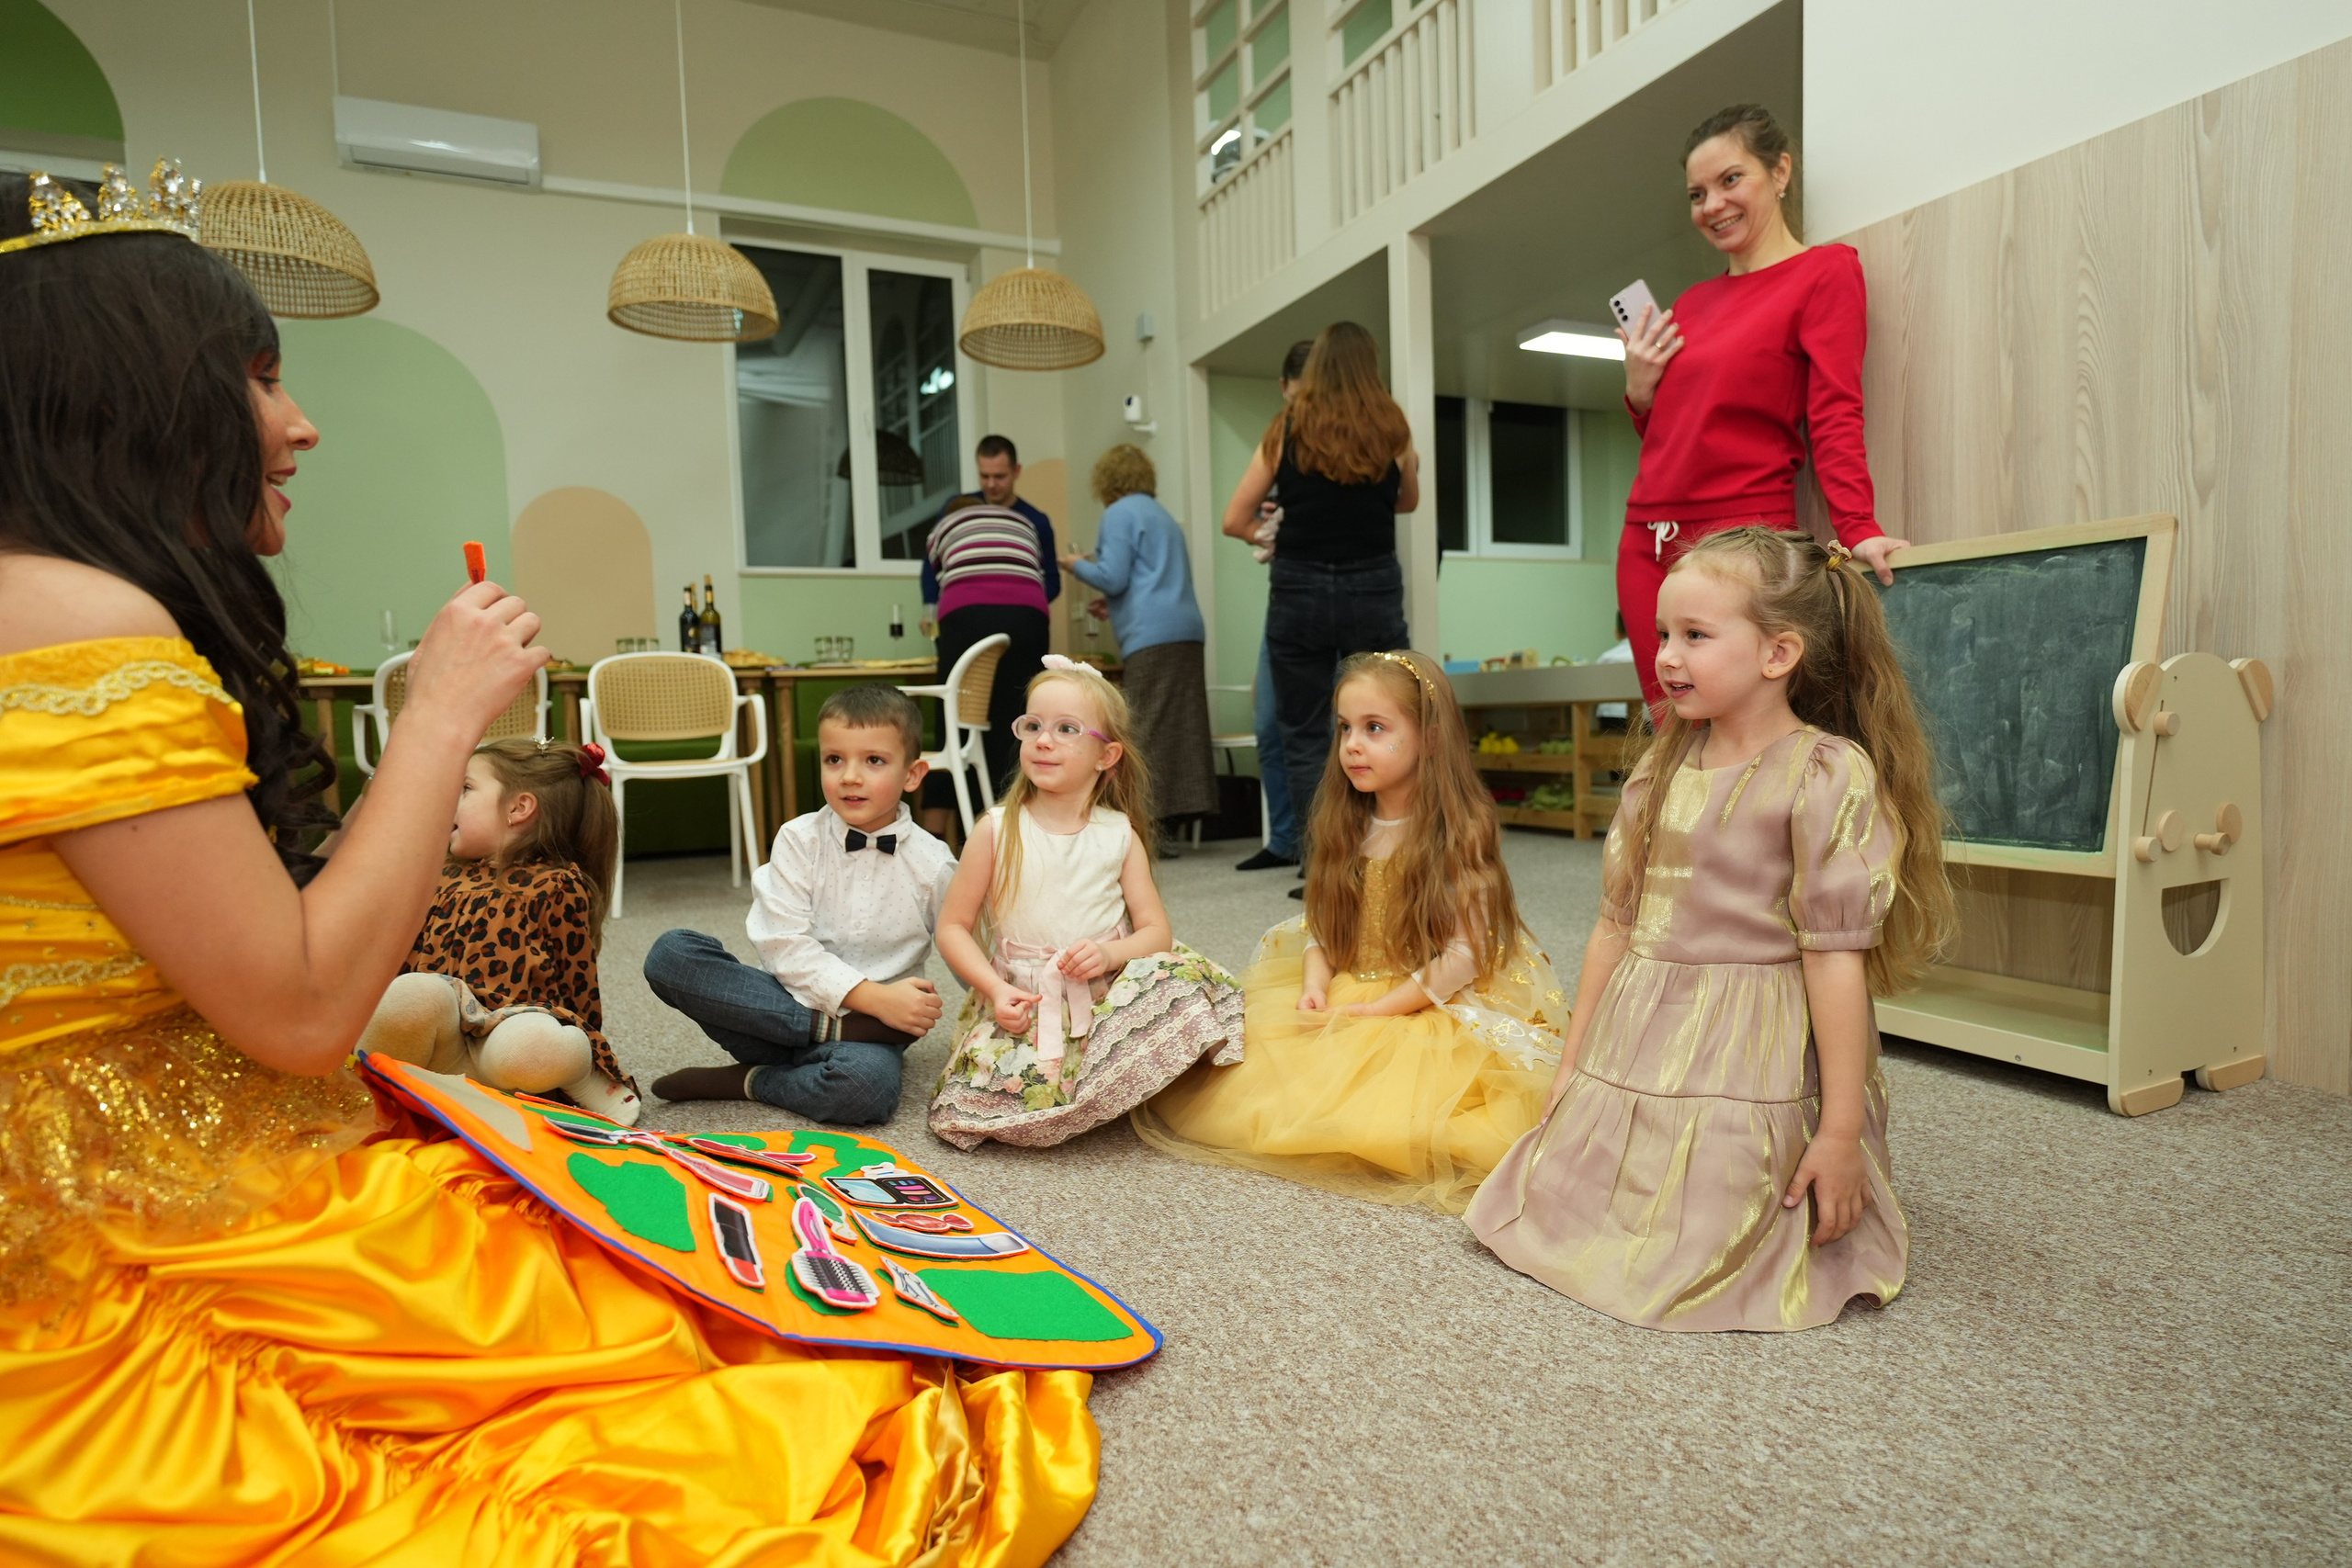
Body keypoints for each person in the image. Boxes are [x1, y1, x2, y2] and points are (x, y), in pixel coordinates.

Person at [0, 166, 1097, 1562]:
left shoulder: (960, 841)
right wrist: (444, 716)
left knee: (618, 1174)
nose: (299, 422)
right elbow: (298, 1005)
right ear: (137, 398)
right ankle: (771, 1062)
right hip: (120, 1201)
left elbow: (951, 934)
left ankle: (775, 1062)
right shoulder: (83, 623)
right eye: (261, 379)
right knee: (659, 1066)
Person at [1468, 527, 1957, 1332]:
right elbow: (1615, 928)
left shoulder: (1823, 773)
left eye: (1694, 635)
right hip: (1642, 1027)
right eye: (1662, 633)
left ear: (1778, 654)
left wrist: (1838, 1132)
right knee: (1556, 1202)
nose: (1665, 655)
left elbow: (1837, 965)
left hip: (1749, 1042)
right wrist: (1574, 1067)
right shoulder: (1659, 769)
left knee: (1713, 1230)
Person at [1133, 650, 1564, 1213]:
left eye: (1375, 728)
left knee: (1417, 1113)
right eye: (1345, 728)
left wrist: (1386, 1008)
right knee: (1262, 1072)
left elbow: (1465, 953)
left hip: (1430, 995)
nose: (1353, 745)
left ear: (1430, 738)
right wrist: (1315, 982)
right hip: (1352, 981)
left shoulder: (1459, 831)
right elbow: (1326, 928)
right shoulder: (1347, 822)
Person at [1615, 102, 1911, 714]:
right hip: (1647, 540)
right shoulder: (1691, 304)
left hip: (1743, 540)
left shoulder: (1825, 272)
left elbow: (1835, 412)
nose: (1712, 205)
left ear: (1780, 172)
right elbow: (1678, 429)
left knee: (1745, 729)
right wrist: (1641, 390)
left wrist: (1859, 528)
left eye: (1731, 180)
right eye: (1697, 194)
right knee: (1672, 732)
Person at [929, 657, 1242, 1149]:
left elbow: (1155, 932)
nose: (1043, 740)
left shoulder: (1117, 834)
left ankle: (1117, 1073)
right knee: (989, 1103)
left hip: (1107, 988)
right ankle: (1099, 1082)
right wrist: (993, 988)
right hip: (1028, 999)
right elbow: (952, 927)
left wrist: (1110, 955)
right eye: (1032, 725)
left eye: (1066, 729)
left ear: (1106, 755)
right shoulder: (996, 829)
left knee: (1180, 988)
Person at [641, 684, 956, 1122]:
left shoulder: (934, 863)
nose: (850, 776)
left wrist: (1003, 1006)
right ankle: (820, 1036)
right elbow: (783, 944)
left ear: (913, 774)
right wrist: (873, 1002)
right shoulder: (798, 838)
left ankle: (750, 1082)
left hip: (871, 1040)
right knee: (672, 955)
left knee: (865, 1092)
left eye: (874, 760)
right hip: (779, 1013)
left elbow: (964, 944)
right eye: (834, 759)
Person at [356, 737, 639, 1123]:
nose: (449, 800)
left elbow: (578, 983)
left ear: (519, 808)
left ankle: (583, 1078)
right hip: (444, 1045)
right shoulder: (438, 876)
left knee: (526, 1048)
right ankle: (393, 1091)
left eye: (466, 789)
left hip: (506, 1048)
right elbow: (402, 962)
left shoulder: (555, 884)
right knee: (410, 994)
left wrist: (590, 1051)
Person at [1221, 322, 1419, 853]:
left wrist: (1269, 532)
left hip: (1299, 588)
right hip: (1372, 587)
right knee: (1388, 716)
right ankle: (1389, 845)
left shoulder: (1287, 427)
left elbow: (1234, 518)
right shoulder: (1391, 427)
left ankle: (1322, 859)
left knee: (1306, 731)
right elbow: (1407, 501)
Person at [1061, 444, 1217, 829]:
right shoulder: (1162, 516)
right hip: (1186, 631)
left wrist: (1077, 565)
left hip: (1151, 637)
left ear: (1107, 481)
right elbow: (1151, 579)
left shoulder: (1118, 513)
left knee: (1142, 729)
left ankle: (1142, 823)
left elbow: (1112, 577)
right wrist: (1113, 607)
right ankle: (1181, 817)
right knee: (1181, 729)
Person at [921, 434, 1057, 830]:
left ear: (1015, 472)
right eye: (986, 476)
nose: (992, 484)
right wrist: (1021, 602)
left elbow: (933, 566)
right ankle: (1019, 826)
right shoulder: (1029, 523)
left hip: (967, 614)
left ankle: (941, 834)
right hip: (1027, 619)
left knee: (954, 722)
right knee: (1019, 721)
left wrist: (945, 605)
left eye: (999, 476)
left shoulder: (952, 516)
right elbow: (1039, 573)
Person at [1233, 339, 1317, 873]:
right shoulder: (1280, 439)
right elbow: (1239, 520)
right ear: (1285, 388)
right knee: (1268, 722)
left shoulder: (1347, 440)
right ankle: (1285, 837)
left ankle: (1325, 849)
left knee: (1329, 731)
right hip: (1286, 597)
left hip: (1326, 598)